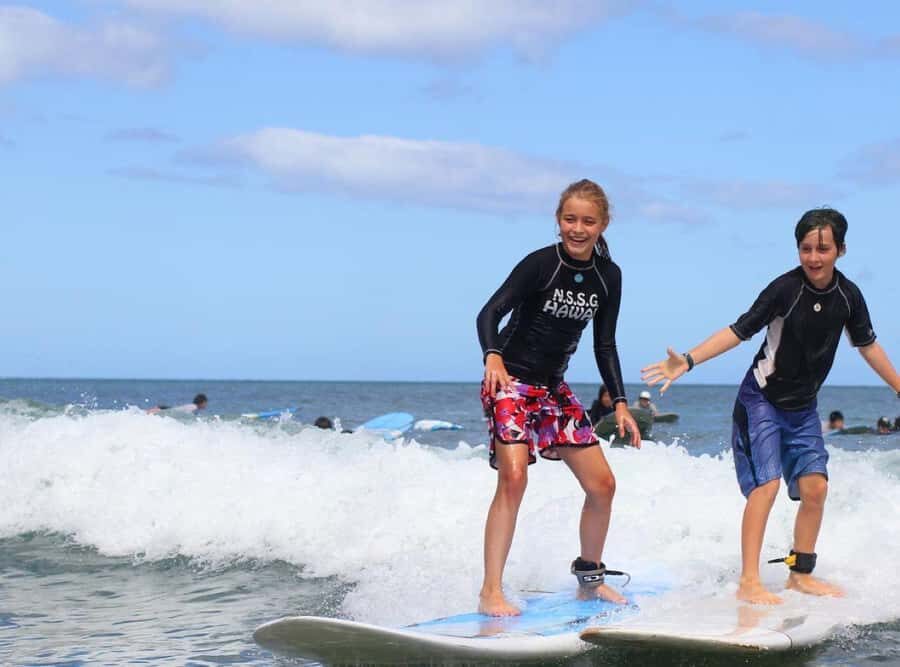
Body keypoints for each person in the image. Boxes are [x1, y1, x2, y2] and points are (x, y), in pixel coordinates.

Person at [642, 207, 900, 605]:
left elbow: (867, 346)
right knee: (767, 486)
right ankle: (749, 580)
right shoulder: (785, 289)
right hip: (760, 400)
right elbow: (739, 330)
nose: (814, 257)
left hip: (803, 407)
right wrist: (688, 361)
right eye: (806, 248)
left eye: (823, 249)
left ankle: (800, 575)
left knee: (816, 488)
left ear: (840, 250)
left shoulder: (849, 297)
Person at [476, 178, 640, 617]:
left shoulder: (609, 277)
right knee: (513, 478)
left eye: (588, 221)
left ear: (603, 224)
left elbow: (605, 344)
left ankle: (590, 581)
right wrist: (493, 357)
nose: (578, 229)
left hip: (553, 390)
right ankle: (491, 589)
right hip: (509, 382)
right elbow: (490, 312)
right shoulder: (541, 264)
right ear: (558, 220)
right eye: (570, 219)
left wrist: (620, 402)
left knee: (603, 485)